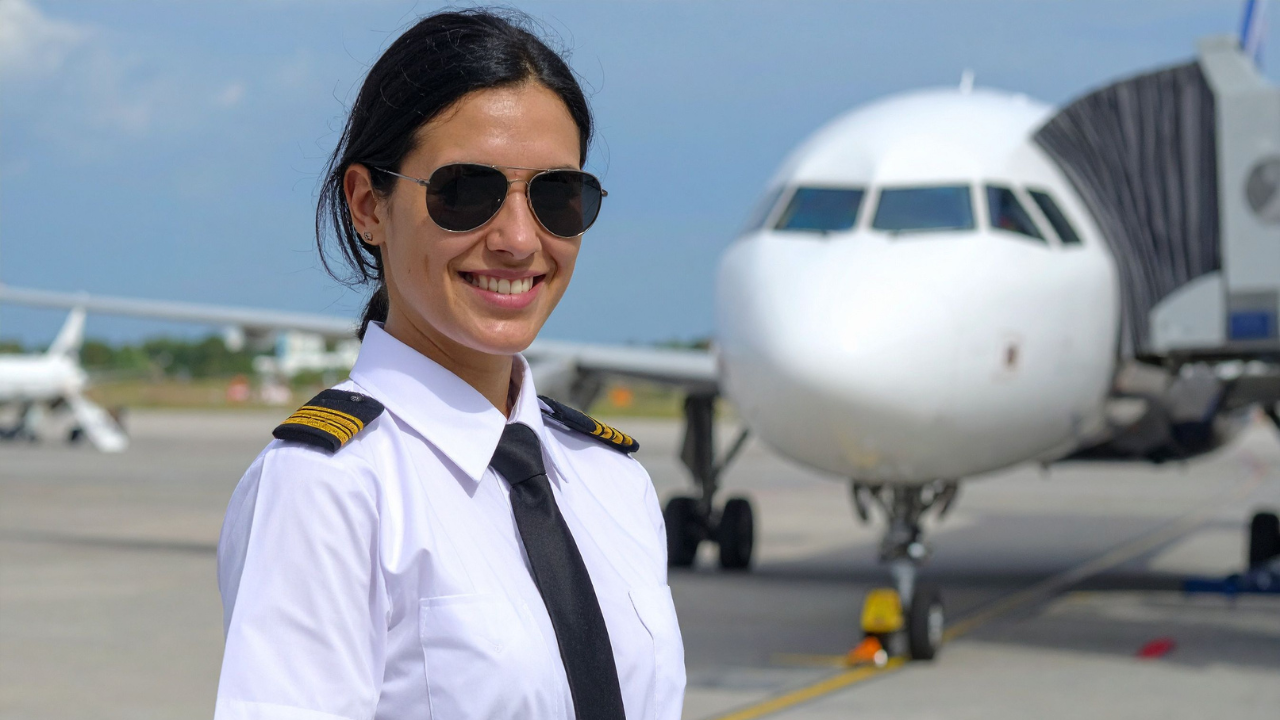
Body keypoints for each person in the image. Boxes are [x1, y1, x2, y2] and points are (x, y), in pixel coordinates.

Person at [213, 10, 685, 720]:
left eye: (557, 196)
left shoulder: (612, 483)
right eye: (466, 192)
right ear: (368, 206)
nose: (519, 240)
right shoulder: (333, 489)